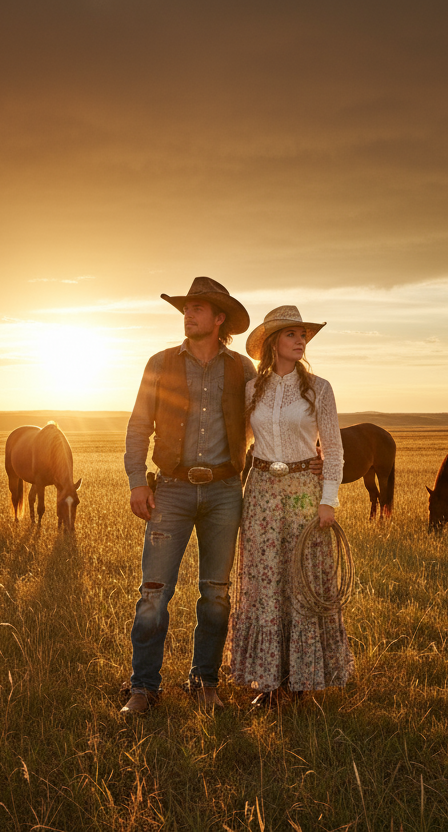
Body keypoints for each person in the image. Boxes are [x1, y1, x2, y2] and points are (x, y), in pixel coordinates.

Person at [120, 277, 256, 715]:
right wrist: (137, 481)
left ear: (219, 319)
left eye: (199, 308)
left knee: (216, 593)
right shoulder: (160, 363)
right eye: (186, 307)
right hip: (172, 489)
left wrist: (308, 455)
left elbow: (271, 421)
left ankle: (204, 683)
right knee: (154, 591)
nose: (189, 313)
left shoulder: (242, 369)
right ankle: (143, 688)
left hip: (224, 492)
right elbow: (139, 424)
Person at [229, 305, 353, 707]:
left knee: (303, 584)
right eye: (291, 334)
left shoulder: (320, 388)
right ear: (272, 344)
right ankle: (268, 683)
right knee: (265, 585)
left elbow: (333, 450)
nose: (300, 340)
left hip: (303, 490)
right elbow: (242, 443)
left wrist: (327, 500)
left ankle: (301, 682)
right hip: (261, 491)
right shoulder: (252, 390)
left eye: (303, 335)